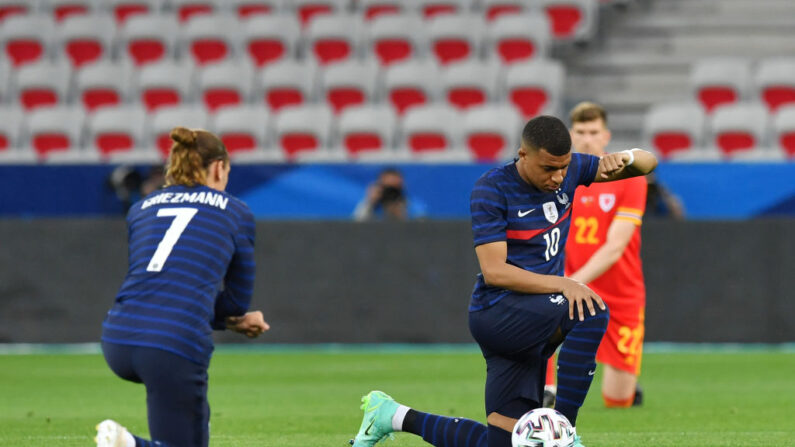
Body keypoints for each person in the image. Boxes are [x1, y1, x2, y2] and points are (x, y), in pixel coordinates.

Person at [349, 115, 658, 447]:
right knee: (590, 309)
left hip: (535, 317)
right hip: (500, 311)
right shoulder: (492, 188)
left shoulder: (570, 169)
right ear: (523, 155)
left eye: (563, 168)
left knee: (503, 443)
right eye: (548, 168)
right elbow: (495, 271)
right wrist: (563, 284)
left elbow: (647, 162)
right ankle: (563, 433)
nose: (558, 177)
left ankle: (390, 415)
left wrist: (624, 158)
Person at [95, 127, 270, 447]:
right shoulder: (236, 212)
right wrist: (233, 319)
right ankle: (128, 444)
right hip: (173, 342)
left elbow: (153, 283)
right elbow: (234, 301)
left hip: (117, 336)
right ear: (219, 167)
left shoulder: (141, 208)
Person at [543, 102, 649, 409]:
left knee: (618, 400)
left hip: (620, 293)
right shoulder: (557, 179)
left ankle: (627, 385)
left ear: (606, 135)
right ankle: (546, 389)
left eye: (593, 132)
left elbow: (615, 248)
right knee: (538, 332)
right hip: (569, 287)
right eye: (581, 132)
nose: (587, 138)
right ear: (571, 135)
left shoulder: (628, 178)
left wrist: (571, 282)